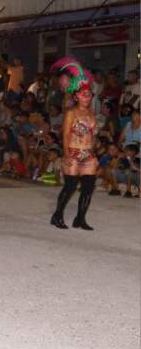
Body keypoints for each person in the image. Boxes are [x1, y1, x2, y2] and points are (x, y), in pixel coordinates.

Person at [49, 57, 98, 230]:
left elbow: (93, 134)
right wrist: (67, 155)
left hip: (88, 154)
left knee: (88, 188)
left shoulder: (92, 113)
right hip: (73, 152)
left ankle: (80, 219)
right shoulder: (71, 112)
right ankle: (57, 216)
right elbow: (65, 135)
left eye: (89, 94)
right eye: (83, 94)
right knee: (69, 187)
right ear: (77, 95)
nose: (87, 96)